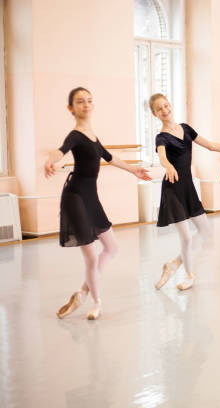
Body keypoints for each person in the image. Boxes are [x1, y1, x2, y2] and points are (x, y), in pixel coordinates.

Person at [45, 87, 151, 320]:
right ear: (71, 108)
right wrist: (50, 161)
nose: (86, 104)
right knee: (92, 256)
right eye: (80, 101)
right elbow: (60, 151)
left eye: (89, 100)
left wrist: (134, 170)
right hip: (75, 197)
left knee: (112, 248)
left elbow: (110, 157)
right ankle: (96, 302)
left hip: (91, 198)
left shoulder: (92, 135)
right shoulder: (75, 135)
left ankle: (82, 293)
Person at [150, 93, 220, 291]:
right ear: (155, 114)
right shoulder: (161, 137)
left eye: (166, 105)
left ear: (170, 105)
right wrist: (168, 166)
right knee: (186, 237)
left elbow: (211, 145)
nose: (165, 110)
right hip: (172, 188)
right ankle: (189, 275)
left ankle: (173, 264)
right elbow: (163, 156)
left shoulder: (186, 128)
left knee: (205, 231)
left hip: (188, 187)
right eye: (159, 109)